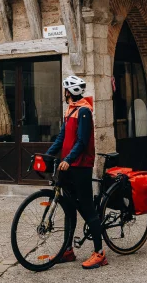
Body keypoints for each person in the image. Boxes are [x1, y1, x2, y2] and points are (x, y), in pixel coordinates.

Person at [46, 75, 107, 269]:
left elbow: (81, 141)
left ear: (68, 92)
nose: (64, 94)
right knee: (69, 209)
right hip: (68, 166)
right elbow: (62, 137)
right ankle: (68, 249)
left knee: (87, 208)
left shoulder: (84, 112)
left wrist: (68, 160)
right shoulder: (70, 111)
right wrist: (48, 155)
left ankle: (100, 253)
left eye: (65, 90)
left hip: (80, 166)